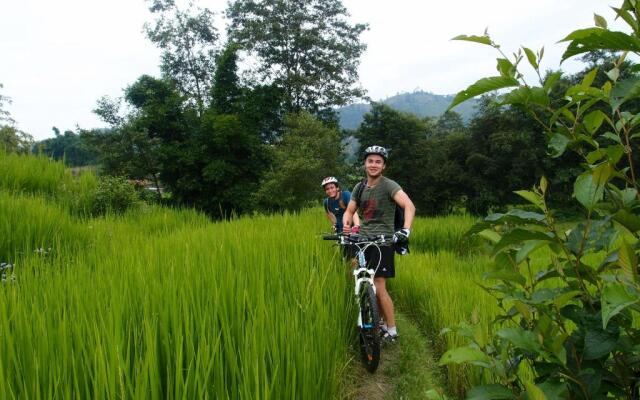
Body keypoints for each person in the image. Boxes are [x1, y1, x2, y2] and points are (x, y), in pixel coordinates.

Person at [342, 145, 416, 343]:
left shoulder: (389, 185)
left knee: (379, 285)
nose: (373, 165)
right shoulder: (359, 187)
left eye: (378, 162)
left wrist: (405, 230)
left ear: (383, 166)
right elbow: (349, 211)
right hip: (363, 240)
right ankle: (377, 318)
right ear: (365, 164)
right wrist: (346, 225)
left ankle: (391, 329)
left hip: (382, 241)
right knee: (359, 276)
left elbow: (409, 206)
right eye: (370, 161)